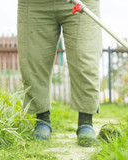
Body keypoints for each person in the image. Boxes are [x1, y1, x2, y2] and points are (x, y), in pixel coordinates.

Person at [17, 0, 102, 146]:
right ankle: (42, 120)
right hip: (35, 4)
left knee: (86, 59)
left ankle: (85, 122)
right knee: (34, 60)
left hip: (81, 1)